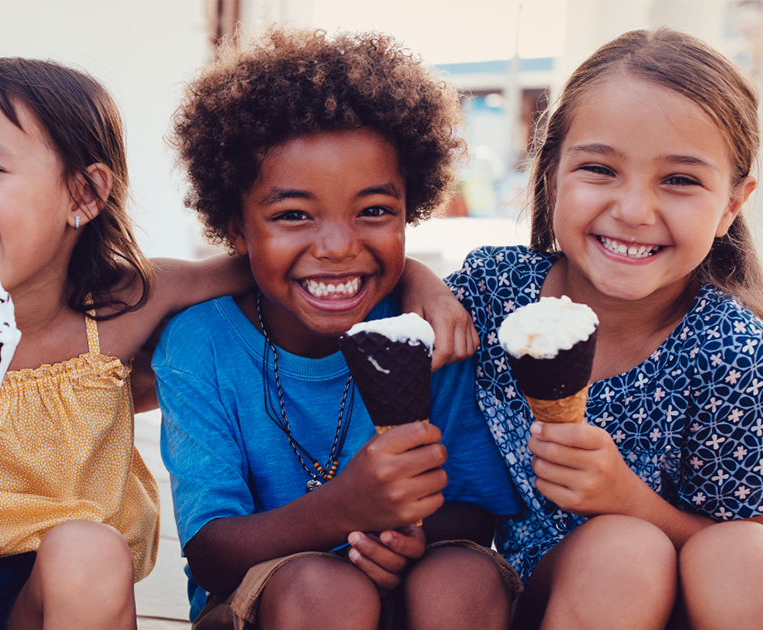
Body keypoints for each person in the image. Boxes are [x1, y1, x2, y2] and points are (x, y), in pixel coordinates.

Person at [0, 54, 476, 630]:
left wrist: (417, 279)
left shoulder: (128, 304)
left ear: (84, 195)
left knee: (87, 549)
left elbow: (283, 265)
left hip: (65, 591)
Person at [155, 28, 524, 630]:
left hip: (407, 586)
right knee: (324, 590)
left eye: (374, 211)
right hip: (267, 602)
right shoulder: (201, 346)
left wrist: (400, 538)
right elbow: (212, 553)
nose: (337, 246)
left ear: (413, 208)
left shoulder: (429, 329)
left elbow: (475, 512)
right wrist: (344, 509)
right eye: (293, 215)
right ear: (237, 227)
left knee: (463, 575)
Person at [445, 28, 763, 630]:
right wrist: (416, 283)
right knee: (622, 554)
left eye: (680, 180)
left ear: (730, 205)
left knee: (710, 550)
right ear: (550, 175)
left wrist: (628, 501)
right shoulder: (493, 292)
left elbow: (743, 545)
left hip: (691, 604)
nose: (634, 210)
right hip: (535, 593)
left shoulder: (733, 353)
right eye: (599, 168)